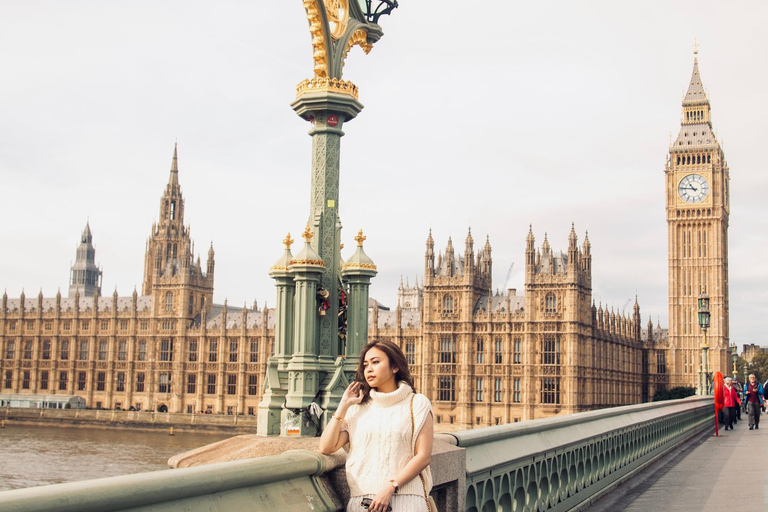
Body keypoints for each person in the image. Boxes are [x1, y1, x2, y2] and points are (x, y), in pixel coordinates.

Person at [319, 340, 434, 512]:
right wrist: (343, 405)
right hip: (363, 502)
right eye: (365, 365)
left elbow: (424, 456)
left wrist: (391, 487)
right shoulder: (357, 409)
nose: (369, 369)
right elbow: (326, 447)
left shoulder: (417, 403)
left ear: (395, 367)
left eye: (375, 362)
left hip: (406, 501)